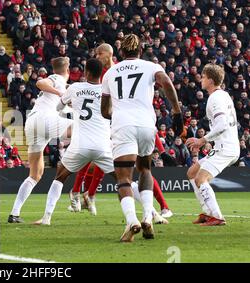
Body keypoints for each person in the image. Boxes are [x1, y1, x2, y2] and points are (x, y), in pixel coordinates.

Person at [101, 34, 183, 242]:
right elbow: (165, 82)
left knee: (123, 178)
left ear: (121, 52)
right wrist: (176, 111)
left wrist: (118, 115)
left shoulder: (110, 73)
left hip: (123, 125)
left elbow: (104, 111)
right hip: (147, 125)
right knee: (145, 168)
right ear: (140, 51)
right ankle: (147, 216)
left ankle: (132, 221)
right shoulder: (150, 66)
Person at [33, 58, 113, 225]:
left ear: (87, 73)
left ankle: (46, 218)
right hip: (102, 145)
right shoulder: (107, 91)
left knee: (60, 177)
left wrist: (73, 103)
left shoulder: (75, 88)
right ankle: (149, 213)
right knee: (124, 179)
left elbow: (58, 108)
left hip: (79, 145)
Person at [8, 57, 73, 223]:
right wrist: (60, 93)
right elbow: (40, 83)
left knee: (35, 174)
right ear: (67, 70)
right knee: (83, 128)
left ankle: (14, 213)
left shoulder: (64, 87)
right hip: (44, 120)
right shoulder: (57, 79)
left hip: (33, 123)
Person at [186, 64, 240, 226]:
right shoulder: (223, 95)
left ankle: (216, 216)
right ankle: (207, 212)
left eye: (203, 77)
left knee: (201, 179)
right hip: (225, 147)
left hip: (225, 148)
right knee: (192, 173)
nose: (201, 80)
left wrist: (201, 141)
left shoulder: (215, 98)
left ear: (210, 80)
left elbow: (222, 124)